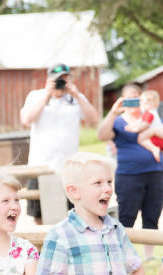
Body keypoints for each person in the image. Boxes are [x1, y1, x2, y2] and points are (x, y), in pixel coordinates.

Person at [98, 83, 163, 260]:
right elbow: (102, 135)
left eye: (136, 96)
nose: (133, 100)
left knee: (153, 214)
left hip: (156, 173)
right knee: (127, 215)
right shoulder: (118, 122)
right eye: (129, 97)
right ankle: (122, 255)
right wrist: (113, 112)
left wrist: (156, 130)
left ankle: (149, 255)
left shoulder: (152, 118)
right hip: (129, 175)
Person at [20, 63, 99, 223]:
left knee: (72, 215)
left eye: (64, 79)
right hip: (40, 165)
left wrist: (76, 94)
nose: (60, 83)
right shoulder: (36, 96)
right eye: (57, 79)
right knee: (39, 215)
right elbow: (26, 120)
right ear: (48, 80)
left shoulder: (76, 98)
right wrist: (47, 95)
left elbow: (93, 119)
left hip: (68, 167)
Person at [125, 91, 163, 176]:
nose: (143, 106)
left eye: (145, 104)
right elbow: (139, 121)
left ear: (154, 104)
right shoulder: (155, 114)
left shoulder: (149, 114)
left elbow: (144, 125)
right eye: (142, 103)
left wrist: (134, 129)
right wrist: (131, 126)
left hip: (155, 139)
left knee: (140, 139)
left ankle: (153, 149)